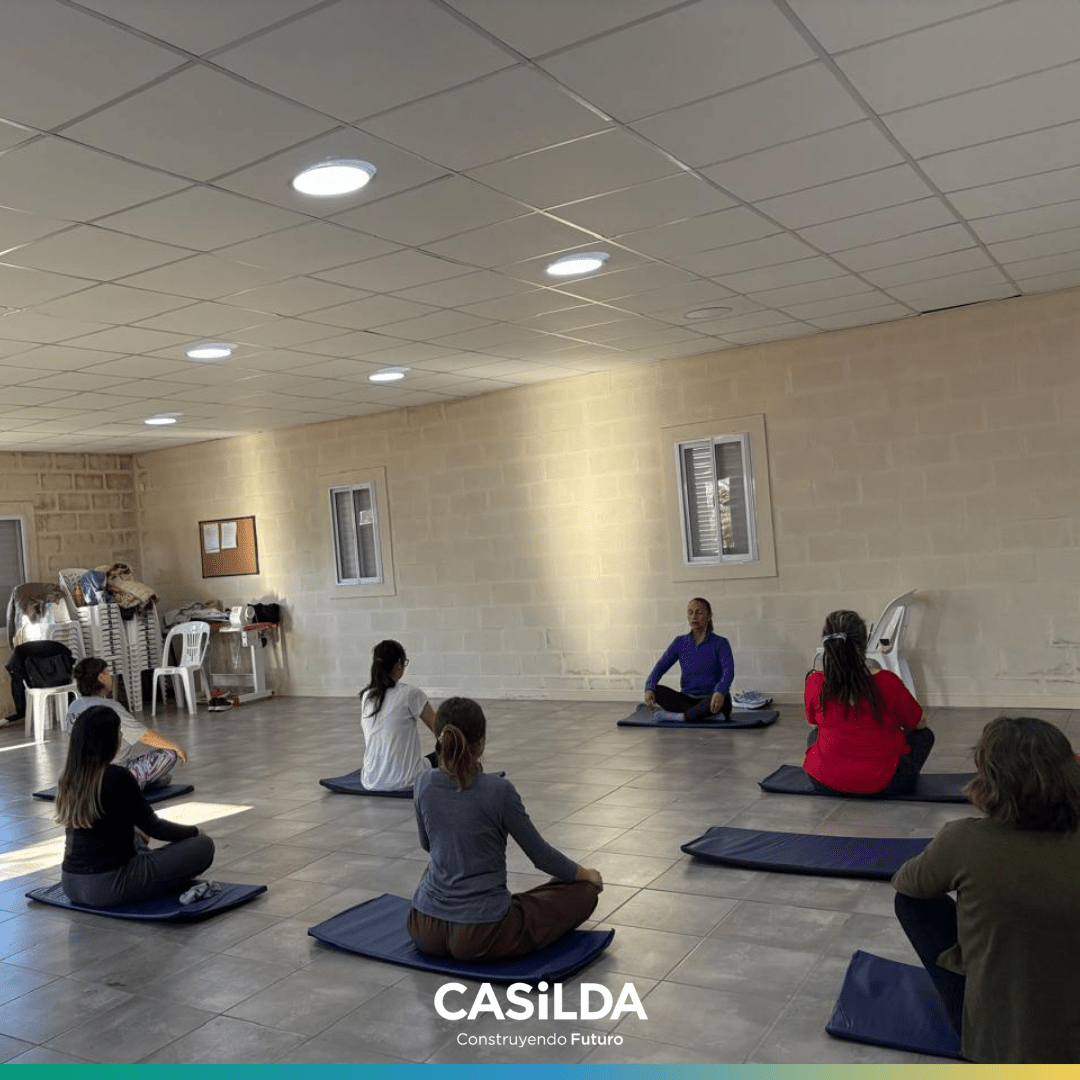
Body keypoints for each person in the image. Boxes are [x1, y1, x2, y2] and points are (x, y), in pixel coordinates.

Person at [892, 716, 1080, 1063]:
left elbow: (906, 882)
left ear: (989, 780)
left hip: (1000, 1042)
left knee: (910, 902)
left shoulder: (964, 839)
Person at [407, 697, 603, 961]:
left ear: (440, 740)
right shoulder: (499, 791)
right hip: (481, 934)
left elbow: (427, 845)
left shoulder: (423, 783)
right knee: (583, 891)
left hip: (424, 927)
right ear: (481, 743)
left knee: (440, 864)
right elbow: (540, 856)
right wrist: (586, 874)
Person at [55, 706, 214, 908]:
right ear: (108, 741)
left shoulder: (68, 777)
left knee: (136, 838)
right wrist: (195, 832)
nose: (121, 738)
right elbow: (156, 828)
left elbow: (99, 826)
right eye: (119, 733)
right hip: (110, 886)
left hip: (71, 884)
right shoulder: (118, 777)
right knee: (203, 846)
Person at [802, 609, 931, 796]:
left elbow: (813, 723)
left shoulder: (814, 681)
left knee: (815, 734)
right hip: (886, 784)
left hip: (823, 781)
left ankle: (837, 772)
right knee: (925, 736)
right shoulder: (887, 681)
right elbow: (919, 723)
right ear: (863, 645)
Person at [66, 658, 187, 791]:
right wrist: (175, 747)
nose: (111, 677)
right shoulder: (110, 707)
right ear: (101, 678)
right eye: (108, 673)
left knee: (161, 777)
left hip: (81, 776)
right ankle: (132, 783)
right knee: (169, 754)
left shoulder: (74, 706)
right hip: (110, 776)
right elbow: (144, 736)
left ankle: (145, 781)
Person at [359, 640, 437, 792]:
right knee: (443, 754)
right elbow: (440, 730)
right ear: (399, 664)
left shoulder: (367, 696)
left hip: (370, 780)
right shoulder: (410, 693)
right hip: (408, 780)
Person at [644, 597, 734, 721]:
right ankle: (704, 716)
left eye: (699, 612)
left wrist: (719, 692)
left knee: (725, 698)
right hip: (686, 700)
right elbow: (660, 666)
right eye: (690, 613)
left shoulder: (721, 643)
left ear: (709, 616)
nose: (694, 617)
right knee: (657, 690)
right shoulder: (680, 642)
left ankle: (682, 717)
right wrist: (649, 687)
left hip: (711, 698)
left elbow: (728, 672)